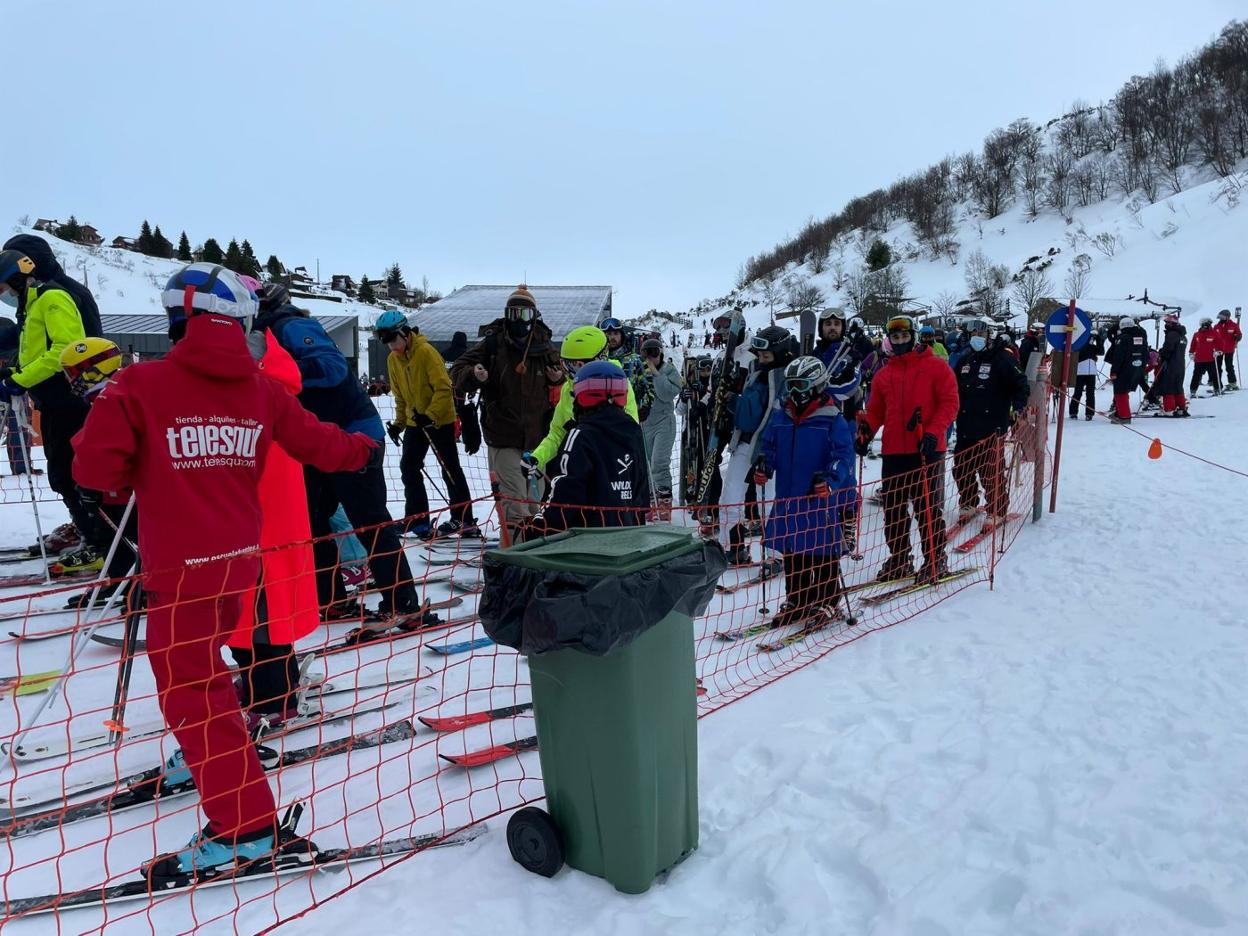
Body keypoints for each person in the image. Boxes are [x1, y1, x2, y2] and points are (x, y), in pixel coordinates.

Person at [71, 263, 377, 883]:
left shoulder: (138, 384)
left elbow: (93, 472)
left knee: (193, 687)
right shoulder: (260, 389)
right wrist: (364, 446)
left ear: (178, 321)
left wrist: (142, 473)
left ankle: (247, 828)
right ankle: (207, 757)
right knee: (204, 676)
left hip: (179, 568)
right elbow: (321, 443)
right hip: (238, 562)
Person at [253, 284, 420, 622]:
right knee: (314, 522)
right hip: (313, 440)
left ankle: (402, 603)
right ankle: (331, 600)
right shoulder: (261, 334)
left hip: (353, 435)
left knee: (369, 521)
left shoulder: (290, 325)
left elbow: (333, 368)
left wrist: (283, 374)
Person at [0, 248, 95, 557]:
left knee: (71, 475)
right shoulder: (31, 306)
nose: (4, 296)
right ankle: (88, 535)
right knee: (61, 475)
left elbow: (67, 350)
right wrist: (12, 375)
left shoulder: (52, 298)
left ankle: (98, 542)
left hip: (68, 399)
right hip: (52, 400)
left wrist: (21, 380)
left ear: (17, 279)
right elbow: (35, 353)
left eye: (3, 289)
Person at [450, 285, 563, 542]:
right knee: (515, 504)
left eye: (524, 315)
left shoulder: (544, 346)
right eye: (513, 313)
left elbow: (563, 375)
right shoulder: (493, 343)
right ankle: (516, 557)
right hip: (504, 435)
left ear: (534, 316)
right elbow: (458, 368)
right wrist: (474, 374)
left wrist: (558, 378)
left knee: (535, 504)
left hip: (538, 440)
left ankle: (535, 550)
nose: (518, 321)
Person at [855, 314, 959, 582]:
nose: (900, 341)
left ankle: (935, 560)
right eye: (895, 337)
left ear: (913, 337)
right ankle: (900, 559)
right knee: (894, 510)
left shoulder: (936, 367)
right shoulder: (884, 374)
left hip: (925, 447)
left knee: (927, 509)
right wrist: (866, 431)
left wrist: (935, 432)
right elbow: (877, 410)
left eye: (904, 336)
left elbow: (950, 403)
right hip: (894, 451)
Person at [755, 356, 855, 626]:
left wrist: (832, 477)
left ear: (817, 385)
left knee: (822, 549)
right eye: (791, 386)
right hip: (789, 496)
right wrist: (765, 464)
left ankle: (826, 600)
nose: (795, 392)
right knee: (794, 550)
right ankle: (797, 599)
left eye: (801, 385)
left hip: (817, 495)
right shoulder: (782, 415)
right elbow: (770, 447)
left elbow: (843, 454)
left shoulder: (832, 418)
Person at [376, 310, 479, 539]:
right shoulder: (393, 359)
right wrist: (399, 424)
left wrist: (430, 415)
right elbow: (401, 397)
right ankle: (417, 519)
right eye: (387, 342)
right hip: (416, 422)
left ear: (404, 332)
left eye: (393, 340)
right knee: (408, 467)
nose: (391, 346)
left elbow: (444, 389)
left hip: (440, 420)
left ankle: (464, 519)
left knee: (449, 469)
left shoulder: (426, 352)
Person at [529, 361, 650, 534]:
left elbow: (565, 493)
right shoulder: (633, 431)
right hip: (628, 535)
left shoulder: (579, 435)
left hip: (585, 543)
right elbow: (641, 493)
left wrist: (540, 527)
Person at [720, 325, 797, 567]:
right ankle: (732, 548)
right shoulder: (755, 372)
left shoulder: (786, 378)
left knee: (770, 503)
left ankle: (776, 555)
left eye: (767, 356)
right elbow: (750, 414)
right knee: (730, 497)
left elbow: (780, 417)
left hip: (771, 450)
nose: (761, 360)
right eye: (760, 356)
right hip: (744, 443)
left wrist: (770, 450)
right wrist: (732, 402)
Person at [527, 325, 638, 478]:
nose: (572, 373)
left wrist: (586, 429)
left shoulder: (617, 386)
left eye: (578, 366)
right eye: (567, 365)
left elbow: (628, 431)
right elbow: (557, 434)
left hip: (614, 471)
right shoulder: (569, 388)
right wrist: (538, 458)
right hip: (579, 468)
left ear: (599, 360)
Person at [951, 321, 1029, 531]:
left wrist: (1019, 408)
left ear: (989, 335)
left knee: (990, 472)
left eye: (982, 332)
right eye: (974, 332)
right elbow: (953, 389)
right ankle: (968, 502)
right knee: (961, 469)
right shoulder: (964, 361)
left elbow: (1020, 383)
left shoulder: (1002, 358)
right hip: (966, 425)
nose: (978, 336)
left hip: (992, 426)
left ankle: (998, 509)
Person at [639, 337, 683, 519]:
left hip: (664, 422)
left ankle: (664, 502)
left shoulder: (668, 370)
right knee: (646, 464)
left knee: (659, 462)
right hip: (645, 422)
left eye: (654, 354)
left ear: (661, 354)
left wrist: (656, 374)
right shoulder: (639, 371)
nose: (650, 358)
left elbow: (667, 394)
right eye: (646, 354)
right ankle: (651, 501)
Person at [600, 317, 655, 419]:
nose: (612, 337)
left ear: (622, 336)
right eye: (608, 334)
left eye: (616, 334)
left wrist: (646, 406)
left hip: (629, 415)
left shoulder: (635, 360)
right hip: (602, 416)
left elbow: (649, 385)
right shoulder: (597, 362)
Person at [813, 308, 864, 415]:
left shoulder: (851, 356)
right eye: (828, 324)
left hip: (844, 421)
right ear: (821, 328)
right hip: (814, 421)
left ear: (842, 328)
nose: (832, 327)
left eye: (837, 324)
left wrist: (815, 387)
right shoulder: (814, 355)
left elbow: (845, 389)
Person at [1105, 316, 1149, 424]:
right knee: (1126, 391)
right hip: (1137, 369)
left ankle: (1124, 416)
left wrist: (1114, 371)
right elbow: (1145, 355)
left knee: (1120, 392)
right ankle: (1120, 412)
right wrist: (1142, 368)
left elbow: (1118, 357)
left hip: (1124, 370)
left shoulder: (1122, 338)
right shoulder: (1141, 338)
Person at [1154, 314, 1189, 417]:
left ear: (1173, 324)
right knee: (1178, 387)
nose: (1166, 324)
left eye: (1168, 323)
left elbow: (1168, 349)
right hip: (1180, 364)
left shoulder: (1172, 334)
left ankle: (1169, 409)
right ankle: (1181, 408)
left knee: (1167, 386)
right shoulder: (1183, 336)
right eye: (1165, 322)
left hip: (1170, 364)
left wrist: (1161, 354)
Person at [1068, 327, 1105, 421]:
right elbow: (1082, 352)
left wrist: (1098, 340)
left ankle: (1089, 413)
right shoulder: (1080, 344)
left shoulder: (1092, 346)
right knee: (1078, 392)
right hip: (1080, 371)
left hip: (1091, 371)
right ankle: (1073, 412)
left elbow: (1101, 352)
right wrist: (1089, 340)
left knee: (1090, 393)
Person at [1188, 317, 1221, 397]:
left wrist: (1218, 351)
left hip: (1211, 359)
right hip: (1199, 359)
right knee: (1196, 375)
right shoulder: (1197, 334)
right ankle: (1193, 391)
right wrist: (1191, 353)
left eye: (1205, 324)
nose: (1204, 326)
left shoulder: (1214, 333)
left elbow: (1220, 343)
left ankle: (1217, 389)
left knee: (1214, 374)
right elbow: (1193, 345)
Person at [1213, 309, 1241, 390]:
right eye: (1220, 317)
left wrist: (1237, 337)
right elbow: (1213, 336)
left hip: (1229, 349)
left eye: (1223, 317)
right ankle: (1218, 384)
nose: (1221, 318)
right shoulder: (1216, 326)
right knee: (1217, 367)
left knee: (1229, 366)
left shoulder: (1233, 325)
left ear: (1227, 317)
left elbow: (1239, 334)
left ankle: (1232, 383)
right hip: (1219, 350)